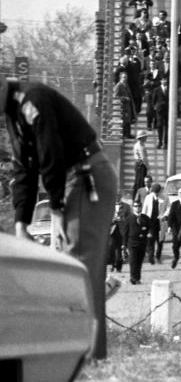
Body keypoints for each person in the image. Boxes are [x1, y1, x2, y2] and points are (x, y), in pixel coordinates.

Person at [2, 77, 119, 359]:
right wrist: (21, 221)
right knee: (81, 269)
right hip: (76, 179)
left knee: (78, 268)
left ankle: (80, 355)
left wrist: (54, 207)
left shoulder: (32, 101)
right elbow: (24, 167)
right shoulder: (13, 113)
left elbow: (49, 152)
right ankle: (89, 354)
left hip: (85, 176)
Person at [140, 182, 168, 264]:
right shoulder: (148, 198)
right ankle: (151, 258)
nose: (156, 194)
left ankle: (158, 256)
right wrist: (143, 221)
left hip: (160, 222)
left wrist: (164, 215)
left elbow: (168, 208)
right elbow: (144, 210)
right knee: (150, 240)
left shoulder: (165, 198)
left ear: (160, 191)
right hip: (150, 222)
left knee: (160, 241)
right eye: (154, 192)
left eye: (157, 192)